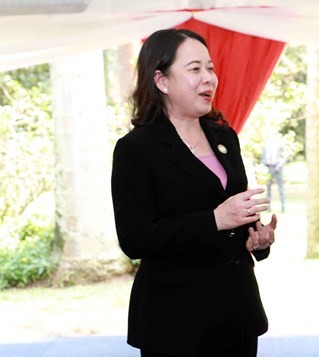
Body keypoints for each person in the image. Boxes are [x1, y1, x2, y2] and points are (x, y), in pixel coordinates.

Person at [111, 28, 277, 357]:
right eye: (195, 69)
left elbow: (235, 217)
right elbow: (135, 239)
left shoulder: (224, 136)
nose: (209, 78)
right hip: (175, 320)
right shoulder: (136, 149)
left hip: (237, 314)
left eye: (211, 68)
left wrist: (257, 240)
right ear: (162, 80)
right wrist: (214, 220)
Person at [261, 134, 287, 213]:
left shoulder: (280, 146)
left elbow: (284, 157)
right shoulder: (265, 147)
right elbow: (263, 158)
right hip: (269, 168)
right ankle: (268, 208)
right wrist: (264, 166)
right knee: (268, 189)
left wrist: (279, 166)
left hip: (278, 169)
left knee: (281, 188)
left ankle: (283, 207)